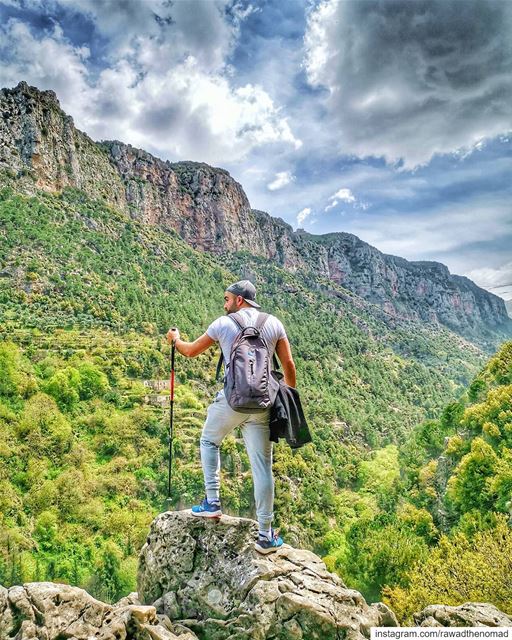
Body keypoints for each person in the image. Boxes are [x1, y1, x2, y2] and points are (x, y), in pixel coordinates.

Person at [167, 280, 296, 554]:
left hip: (231, 401)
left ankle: (212, 503)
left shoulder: (223, 324)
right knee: (262, 466)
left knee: (208, 441)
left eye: (226, 299)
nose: (224, 304)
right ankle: (265, 535)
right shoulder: (274, 323)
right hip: (263, 404)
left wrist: (175, 340)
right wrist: (289, 397)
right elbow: (288, 365)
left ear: (239, 300)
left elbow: (190, 351)